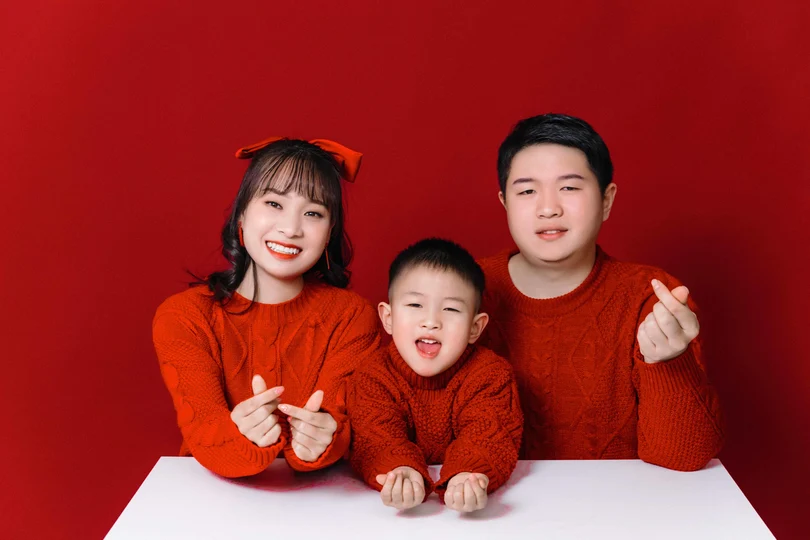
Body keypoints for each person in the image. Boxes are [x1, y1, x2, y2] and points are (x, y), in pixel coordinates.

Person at [479, 114, 724, 471]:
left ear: (606, 200)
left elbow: (682, 457)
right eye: (527, 191)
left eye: (569, 188)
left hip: (618, 505)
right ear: (505, 203)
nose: (548, 208)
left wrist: (670, 363)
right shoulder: (461, 292)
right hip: (484, 502)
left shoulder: (652, 300)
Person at [153, 136, 380, 478]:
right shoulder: (183, 317)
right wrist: (239, 436)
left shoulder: (353, 317)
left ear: (330, 231)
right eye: (274, 203)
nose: (290, 229)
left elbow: (345, 428)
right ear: (242, 214)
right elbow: (203, 432)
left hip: (322, 500)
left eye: (313, 213)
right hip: (213, 497)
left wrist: (325, 440)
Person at [350, 238, 523, 512]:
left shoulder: (491, 375)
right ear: (388, 318)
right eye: (415, 305)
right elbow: (375, 436)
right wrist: (400, 469)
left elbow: (488, 434)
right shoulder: (373, 375)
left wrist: (467, 474)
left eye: (451, 309)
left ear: (475, 328)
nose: (431, 322)